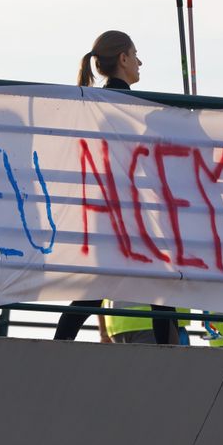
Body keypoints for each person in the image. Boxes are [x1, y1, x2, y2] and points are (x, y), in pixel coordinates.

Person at [55, 30, 180, 344]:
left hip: (105, 209)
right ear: (122, 59)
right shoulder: (136, 109)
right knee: (159, 288)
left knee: (98, 290)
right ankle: (170, 358)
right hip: (129, 211)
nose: (140, 61)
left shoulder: (94, 105)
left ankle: (56, 346)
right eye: (135, 54)